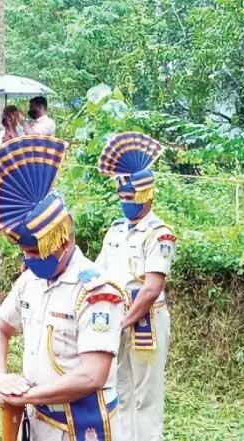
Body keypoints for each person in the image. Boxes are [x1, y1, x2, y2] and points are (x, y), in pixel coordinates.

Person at [0, 136, 124, 440]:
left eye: (35, 252)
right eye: (25, 253)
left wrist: (28, 395)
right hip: (38, 419)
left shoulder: (96, 291)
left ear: (63, 240)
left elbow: (93, 375)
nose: (28, 261)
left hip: (81, 426)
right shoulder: (30, 281)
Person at [95, 132, 175, 441]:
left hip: (146, 321)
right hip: (118, 315)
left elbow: (152, 287)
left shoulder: (160, 234)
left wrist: (124, 322)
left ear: (147, 196)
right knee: (120, 388)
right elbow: (98, 271)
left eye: (131, 198)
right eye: (122, 197)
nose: (125, 203)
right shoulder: (116, 230)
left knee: (146, 395)